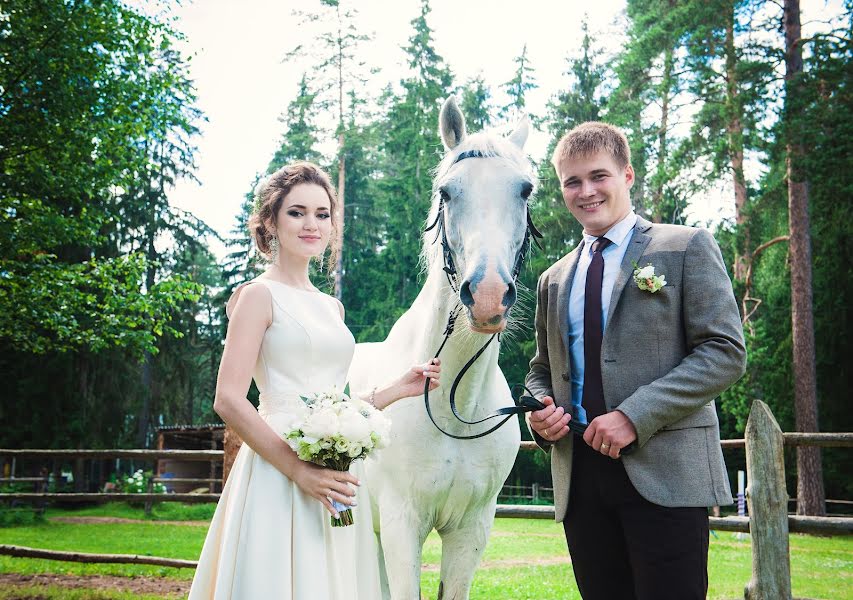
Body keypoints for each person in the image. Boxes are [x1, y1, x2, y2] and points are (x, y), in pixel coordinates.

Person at [188, 161, 441, 599]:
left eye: (323, 214)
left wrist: (396, 389)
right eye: (297, 212)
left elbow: (332, 405)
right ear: (270, 221)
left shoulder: (331, 308)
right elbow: (228, 399)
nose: (312, 224)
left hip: (336, 475)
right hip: (277, 469)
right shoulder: (257, 296)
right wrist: (297, 470)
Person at [525, 122, 746, 600]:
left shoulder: (685, 247)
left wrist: (633, 415)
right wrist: (540, 409)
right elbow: (542, 367)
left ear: (627, 175)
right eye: (572, 181)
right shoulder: (554, 278)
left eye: (598, 176)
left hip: (664, 472)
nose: (586, 191)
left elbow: (724, 352)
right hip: (581, 479)